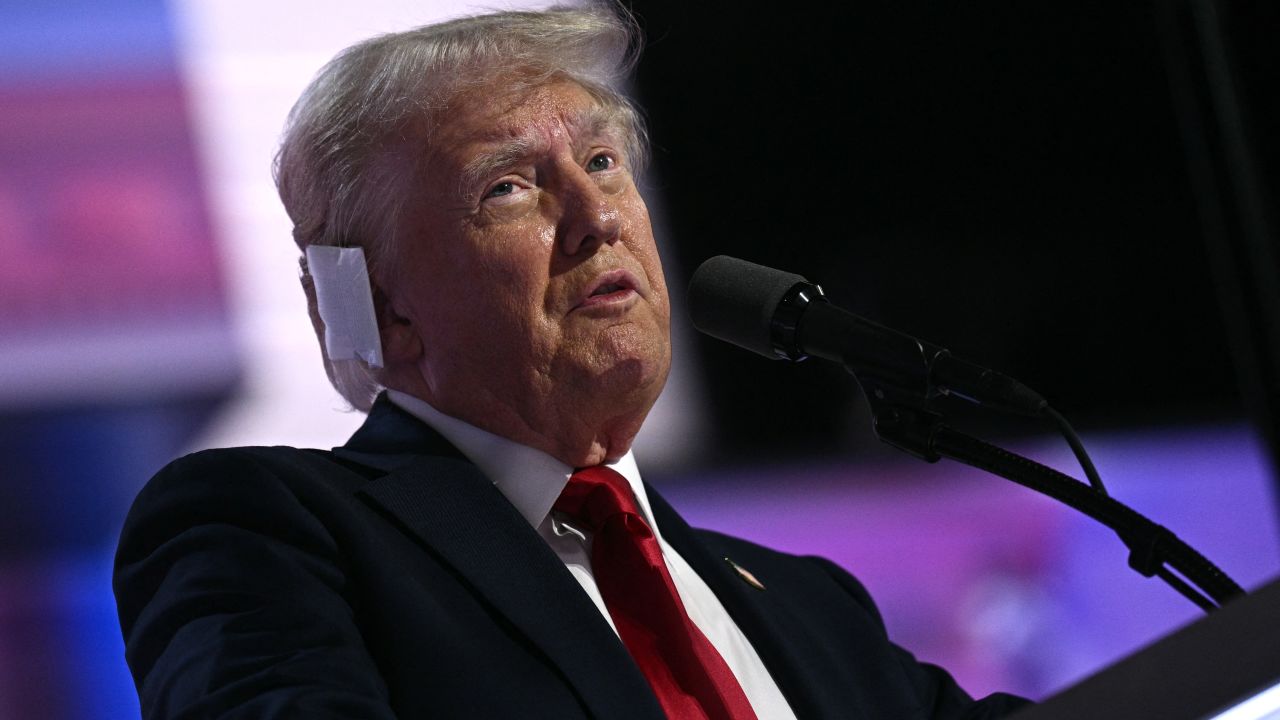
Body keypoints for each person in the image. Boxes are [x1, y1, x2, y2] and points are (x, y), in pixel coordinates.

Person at [114, 4, 1032, 718]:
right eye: (509, 187)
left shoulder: (810, 607)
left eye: (601, 160)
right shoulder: (269, 534)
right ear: (379, 304)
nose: (600, 216)